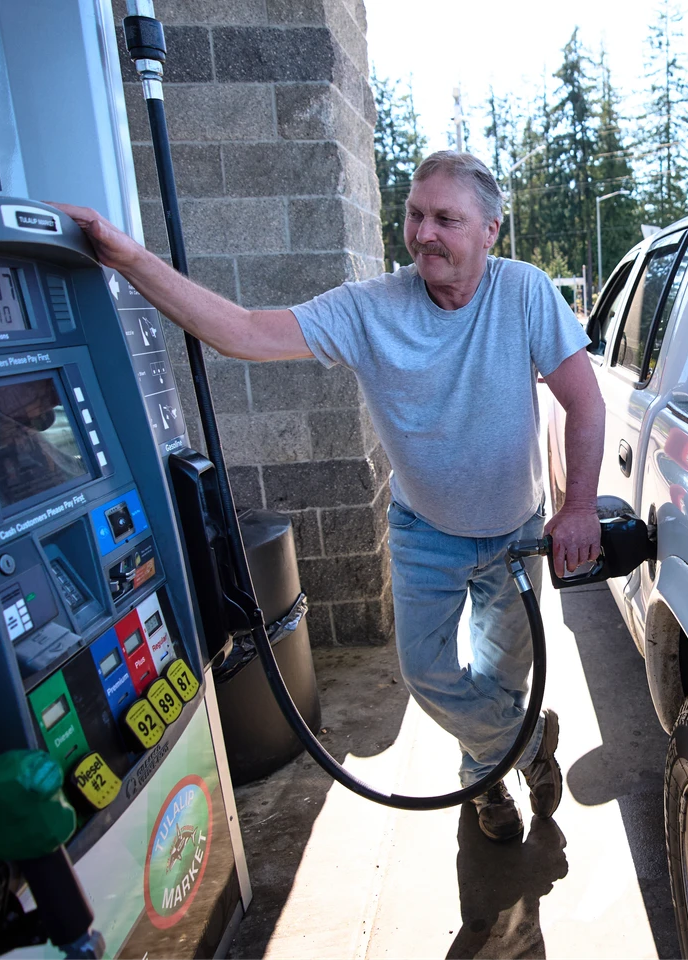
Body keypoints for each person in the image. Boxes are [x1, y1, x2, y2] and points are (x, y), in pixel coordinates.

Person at [54, 150, 604, 842]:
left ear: (491, 230)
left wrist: (577, 505)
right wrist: (131, 259)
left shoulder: (523, 292)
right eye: (414, 214)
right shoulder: (369, 309)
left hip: (517, 527)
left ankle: (483, 780)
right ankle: (522, 748)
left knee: (502, 678)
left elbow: (583, 404)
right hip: (425, 530)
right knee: (428, 672)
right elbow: (245, 333)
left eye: (447, 219)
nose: (424, 232)